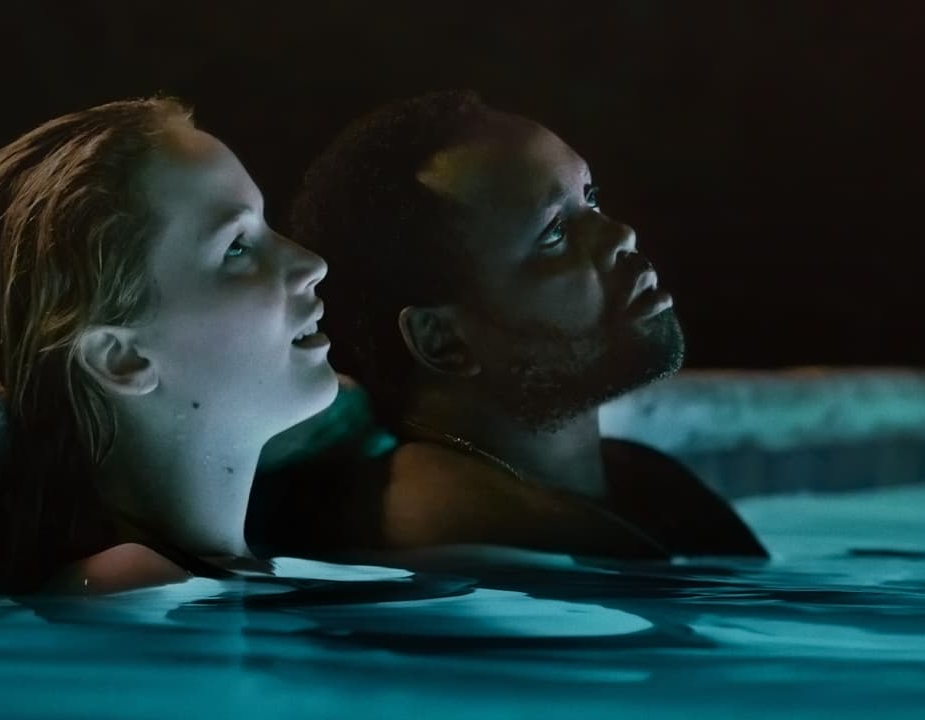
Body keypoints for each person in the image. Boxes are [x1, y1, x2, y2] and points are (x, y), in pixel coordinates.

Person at [249, 91, 766, 561]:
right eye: (554, 233)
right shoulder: (440, 525)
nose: (619, 235)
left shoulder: (648, 484)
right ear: (443, 340)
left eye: (590, 197)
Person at [0, 97, 337, 593]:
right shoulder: (136, 586)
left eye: (264, 226)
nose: (311, 264)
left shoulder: (178, 580)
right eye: (236, 247)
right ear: (121, 357)